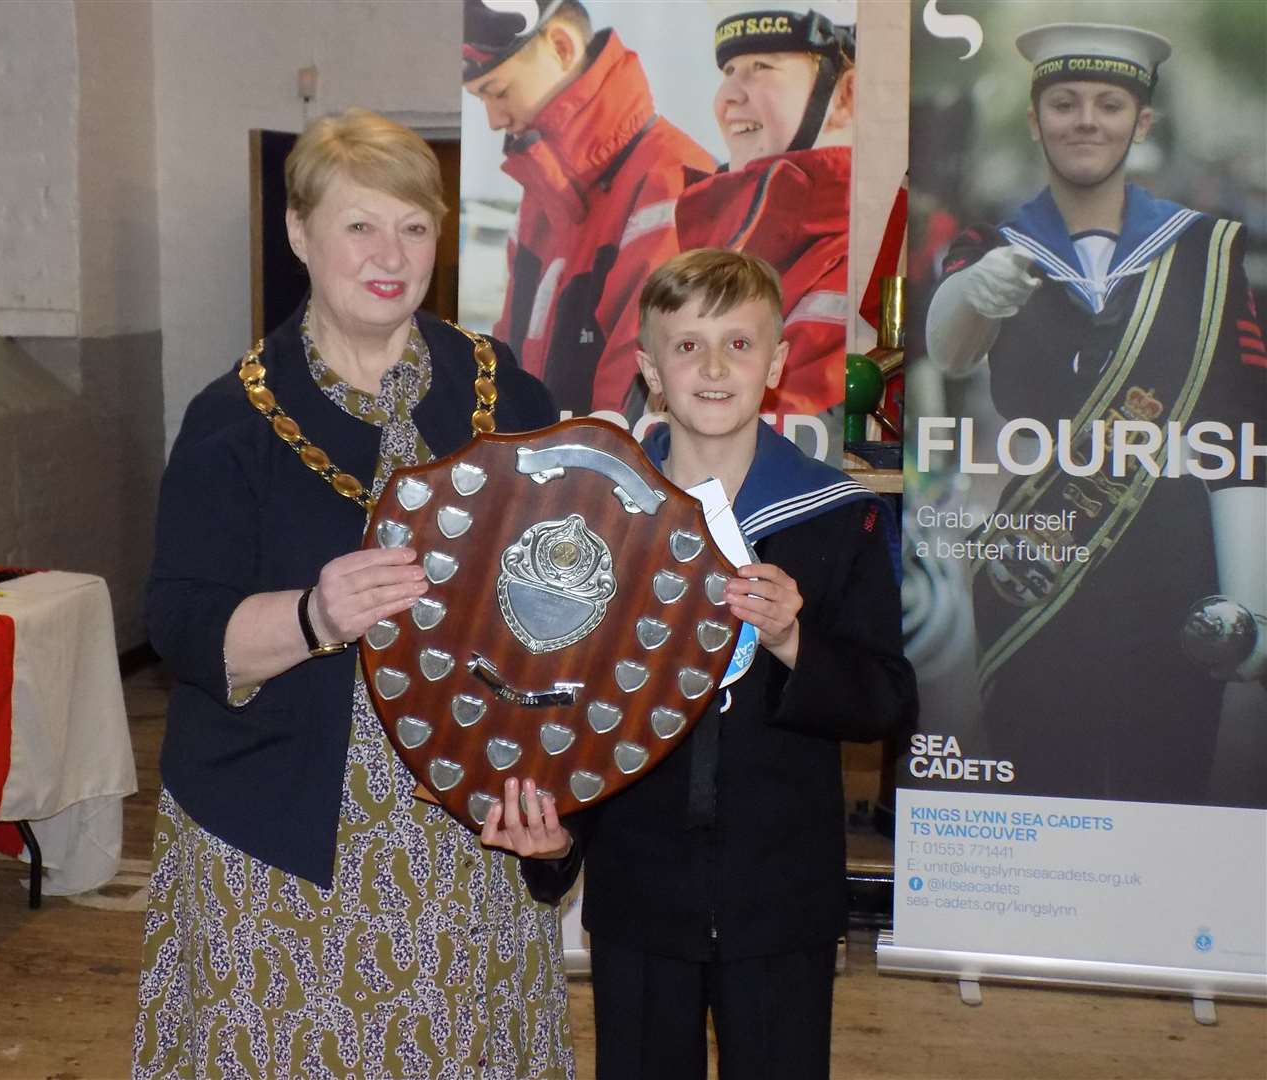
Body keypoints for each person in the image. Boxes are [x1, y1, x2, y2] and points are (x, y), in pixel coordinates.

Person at [133, 109, 576, 1079]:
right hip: (279, 844)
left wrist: (557, 789)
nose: (391, 254)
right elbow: (182, 624)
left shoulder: (509, 398)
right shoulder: (235, 420)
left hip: (466, 839)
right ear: (300, 234)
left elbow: (575, 618)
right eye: (360, 226)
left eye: (415, 227)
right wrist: (314, 616)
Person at [527, 248, 917, 1079]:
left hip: (781, 898)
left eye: (739, 345)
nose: (713, 367)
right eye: (687, 345)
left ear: (775, 364)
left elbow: (886, 700)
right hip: (639, 890)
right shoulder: (598, 520)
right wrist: (558, 840)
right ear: (649, 372)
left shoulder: (835, 518)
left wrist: (792, 642)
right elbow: (570, 709)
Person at [924, 23, 1267, 805]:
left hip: (1176, 582)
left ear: (1142, 122)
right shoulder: (996, 244)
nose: (1086, 119)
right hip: (1034, 568)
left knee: (1167, 797)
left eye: (1110, 103)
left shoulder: (1207, 253)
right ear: (1036, 118)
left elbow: (1244, 433)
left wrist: (1250, 609)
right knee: (1037, 798)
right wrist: (970, 295)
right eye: (1064, 101)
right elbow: (948, 350)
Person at [462, 0, 714, 419]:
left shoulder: (670, 178)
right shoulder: (538, 198)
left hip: (611, 478)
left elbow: (640, 387)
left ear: (562, 46)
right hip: (550, 475)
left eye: (498, 91)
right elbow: (508, 369)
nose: (491, 120)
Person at [675, 8, 856, 423]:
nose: (729, 97)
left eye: (761, 67)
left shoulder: (864, 254)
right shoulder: (701, 244)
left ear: (847, 96)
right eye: (729, 70)